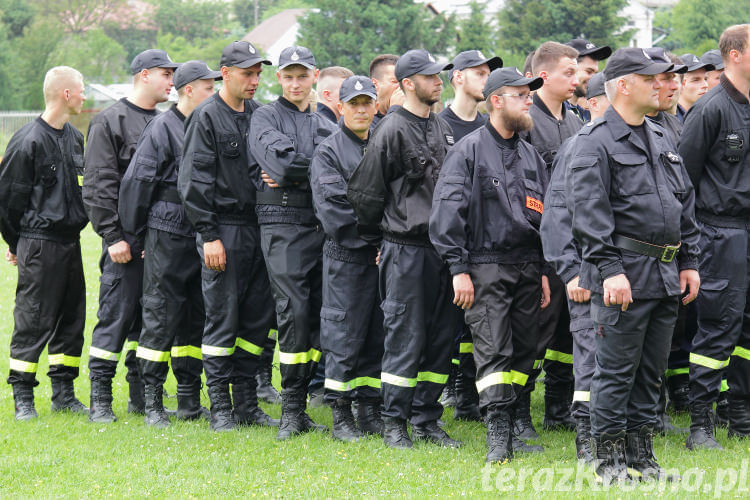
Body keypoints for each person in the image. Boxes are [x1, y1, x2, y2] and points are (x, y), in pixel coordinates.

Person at [566, 47, 700, 484]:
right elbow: (587, 214)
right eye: (655, 79)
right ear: (624, 85)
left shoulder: (660, 136)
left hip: (662, 274)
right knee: (615, 373)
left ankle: (643, 459)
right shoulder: (593, 141)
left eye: (669, 78)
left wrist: (688, 260)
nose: (669, 85)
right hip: (623, 273)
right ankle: (609, 463)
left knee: (650, 374)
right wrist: (609, 270)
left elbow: (683, 203)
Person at [431, 66, 550, 463]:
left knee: (524, 350)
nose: (529, 100)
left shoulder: (531, 156)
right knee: (494, 349)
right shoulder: (468, 150)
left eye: (530, 94)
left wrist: (544, 269)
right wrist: (458, 269)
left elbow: (544, 218)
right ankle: (498, 433)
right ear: (496, 100)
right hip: (485, 265)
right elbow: (448, 212)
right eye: (520, 94)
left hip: (528, 267)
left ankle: (516, 417)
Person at [348, 49, 460, 449]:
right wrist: (380, 241)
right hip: (405, 249)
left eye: (440, 75)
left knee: (440, 336)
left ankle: (427, 419)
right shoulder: (391, 129)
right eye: (430, 77)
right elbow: (364, 194)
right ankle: (395, 421)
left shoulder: (443, 127)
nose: (439, 81)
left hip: (442, 252)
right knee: (404, 336)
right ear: (407, 83)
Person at [179, 41, 277, 432]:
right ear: (225, 72)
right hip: (224, 229)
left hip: (260, 228)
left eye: (258, 73)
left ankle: (246, 403)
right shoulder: (206, 117)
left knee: (255, 321)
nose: (254, 80)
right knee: (222, 319)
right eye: (247, 73)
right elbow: (193, 181)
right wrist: (209, 235)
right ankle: (220, 406)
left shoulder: (259, 114)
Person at [119, 61, 221, 427]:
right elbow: (137, 184)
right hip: (167, 232)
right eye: (210, 87)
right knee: (161, 317)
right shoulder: (162, 128)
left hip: (200, 234)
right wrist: (135, 236)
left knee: (195, 318)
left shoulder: (207, 125)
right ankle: (151, 402)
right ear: (189, 89)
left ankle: (190, 401)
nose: (215, 93)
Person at [84, 49, 179, 423]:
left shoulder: (164, 122)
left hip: (159, 242)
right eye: (165, 74)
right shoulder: (111, 121)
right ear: (143, 75)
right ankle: (100, 401)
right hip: (125, 243)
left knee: (148, 321)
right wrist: (113, 237)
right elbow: (98, 185)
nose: (171, 81)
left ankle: (140, 396)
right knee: (116, 318)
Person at [248, 45, 337, 440]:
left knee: (318, 314)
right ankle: (290, 410)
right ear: (279, 79)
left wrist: (297, 168)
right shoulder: (266, 116)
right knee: (293, 312)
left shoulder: (326, 124)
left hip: (321, 225)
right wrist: (309, 166)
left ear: (314, 77)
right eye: (289, 76)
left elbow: (347, 165)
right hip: (281, 222)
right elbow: (279, 163)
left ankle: (300, 407)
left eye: (303, 75)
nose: (296, 83)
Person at [0, 66, 88, 420]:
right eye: (80, 90)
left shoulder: (74, 138)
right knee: (34, 318)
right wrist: (17, 243)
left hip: (71, 242)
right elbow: (7, 201)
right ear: (66, 94)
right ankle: (23, 394)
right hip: (39, 243)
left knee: (72, 319)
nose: (84, 96)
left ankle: (63, 392)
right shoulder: (27, 141)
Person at [680, 24, 750, 446]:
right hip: (718, 233)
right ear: (736, 55)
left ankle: (742, 415)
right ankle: (701, 423)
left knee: (747, 331)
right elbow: (683, 182)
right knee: (716, 328)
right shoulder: (710, 109)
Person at [540, 71, 610, 466]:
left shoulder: (642, 141)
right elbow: (556, 218)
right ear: (595, 103)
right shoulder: (577, 147)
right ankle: (586, 438)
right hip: (589, 274)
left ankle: (620, 432)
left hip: (630, 275)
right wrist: (570, 271)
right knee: (588, 357)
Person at [309, 75, 384, 441]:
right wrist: (376, 239)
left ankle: (369, 409)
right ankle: (341, 415)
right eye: (352, 103)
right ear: (340, 107)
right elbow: (335, 211)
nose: (360, 109)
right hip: (347, 256)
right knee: (343, 334)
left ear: (375, 106)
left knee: (376, 333)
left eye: (366, 102)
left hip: (384, 258)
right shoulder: (329, 151)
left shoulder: (384, 143)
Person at [520, 41, 583, 436]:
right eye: (569, 73)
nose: (577, 80)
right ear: (544, 76)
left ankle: (558, 408)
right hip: (536, 246)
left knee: (567, 332)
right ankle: (520, 413)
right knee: (533, 332)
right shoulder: (528, 120)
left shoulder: (577, 122)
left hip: (574, 246)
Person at [437, 49, 502, 420]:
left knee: (478, 327)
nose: (484, 77)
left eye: (487, 72)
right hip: (449, 244)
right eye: (477, 72)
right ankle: (454, 392)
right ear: (457, 77)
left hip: (486, 246)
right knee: (449, 325)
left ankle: (469, 396)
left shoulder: (486, 130)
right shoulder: (438, 125)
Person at [439, 50, 502, 140]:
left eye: (488, 76)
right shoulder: (437, 127)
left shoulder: (491, 126)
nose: (487, 82)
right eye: (480, 74)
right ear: (459, 77)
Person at [565, 39, 612, 122]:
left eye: (596, 73)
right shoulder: (555, 113)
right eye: (589, 72)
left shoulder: (586, 115)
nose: (594, 78)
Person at [676, 53, 714, 122]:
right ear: (680, 83)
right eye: (696, 80)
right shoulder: (670, 121)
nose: (705, 85)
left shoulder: (709, 117)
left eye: (705, 79)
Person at [369, 54, 399, 127]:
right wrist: (394, 111)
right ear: (375, 84)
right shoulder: (364, 119)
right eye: (394, 82)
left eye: (404, 82)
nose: (401, 87)